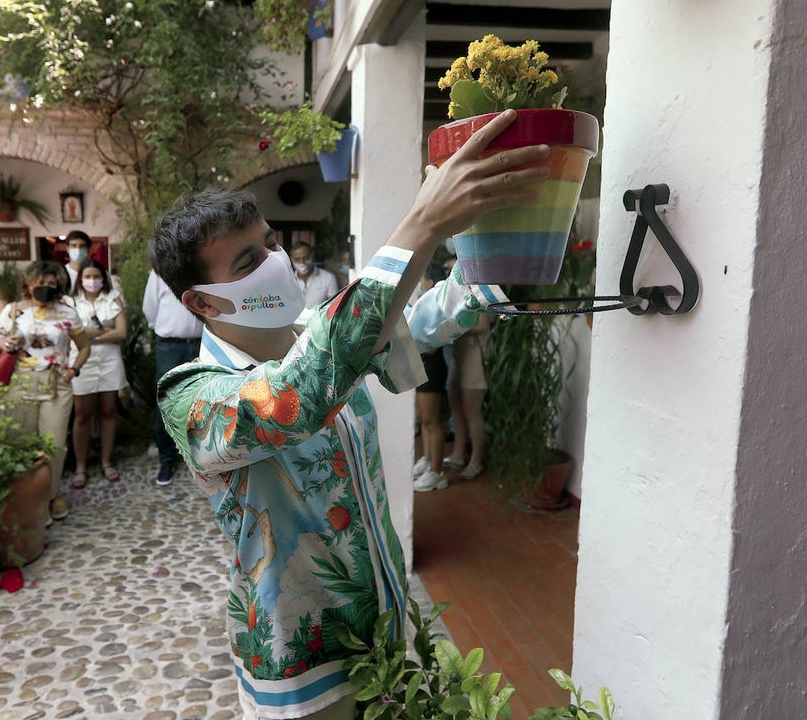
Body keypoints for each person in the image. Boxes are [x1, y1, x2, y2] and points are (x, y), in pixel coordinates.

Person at [149, 110, 549, 719]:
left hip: (383, 624)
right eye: (247, 261)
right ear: (201, 301)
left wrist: (502, 255)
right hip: (303, 662)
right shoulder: (193, 398)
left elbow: (415, 318)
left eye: (271, 243)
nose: (275, 261)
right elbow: (296, 393)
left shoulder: (317, 329)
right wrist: (423, 222)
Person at [0, 261, 90, 519]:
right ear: (28, 284)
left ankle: (50, 496)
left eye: (51, 283)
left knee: (54, 444)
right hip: (20, 383)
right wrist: (2, 341)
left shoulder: (67, 312)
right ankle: (25, 497)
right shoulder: (13, 311)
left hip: (56, 384)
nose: (45, 287)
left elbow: (85, 347)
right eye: (40, 282)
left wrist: (73, 370)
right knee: (20, 442)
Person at [65, 258, 127, 487]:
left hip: (110, 361)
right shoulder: (70, 302)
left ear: (104, 278)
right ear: (80, 279)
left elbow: (121, 333)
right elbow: (71, 335)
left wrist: (91, 334)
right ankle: (80, 466)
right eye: (88, 277)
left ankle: (106, 462)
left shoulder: (113, 298)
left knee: (108, 412)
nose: (92, 281)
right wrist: (105, 331)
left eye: (97, 276)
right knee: (82, 415)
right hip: (82, 362)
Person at [142, 268, 201, 486]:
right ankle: (167, 460)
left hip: (202, 343)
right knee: (167, 403)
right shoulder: (160, 271)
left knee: (202, 402)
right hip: (170, 346)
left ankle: (202, 459)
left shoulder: (203, 263)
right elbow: (150, 308)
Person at [411, 263, 452, 492]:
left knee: (433, 422)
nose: (418, 284)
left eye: (420, 280)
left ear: (430, 282)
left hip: (432, 366)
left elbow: (432, 346)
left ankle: (437, 472)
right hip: (423, 365)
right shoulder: (425, 303)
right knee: (426, 421)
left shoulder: (436, 306)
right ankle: (428, 460)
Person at [443, 312, 491, 481]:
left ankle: (476, 461)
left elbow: (483, 324)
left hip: (475, 351)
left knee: (471, 410)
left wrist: (452, 325)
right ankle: (458, 455)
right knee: (455, 404)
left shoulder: (481, 295)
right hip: (459, 351)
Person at [289, 241, 339, 305]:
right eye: (297, 259)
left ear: (312, 256)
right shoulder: (289, 281)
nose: (302, 262)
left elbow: (335, 305)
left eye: (305, 258)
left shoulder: (328, 278)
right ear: (292, 260)